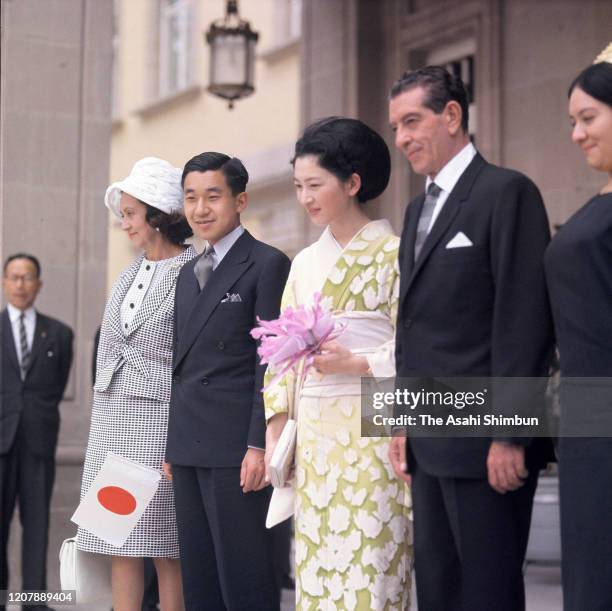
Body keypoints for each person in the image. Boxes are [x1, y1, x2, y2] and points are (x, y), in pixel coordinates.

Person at [388, 66, 554, 611]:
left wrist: (510, 435)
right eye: (396, 127)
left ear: (453, 116)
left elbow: (523, 320)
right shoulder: (415, 211)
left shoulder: (508, 192)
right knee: (438, 590)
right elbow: (411, 325)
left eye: (412, 121)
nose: (402, 138)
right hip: (429, 438)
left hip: (486, 442)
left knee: (488, 594)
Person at [264, 117, 412, 610]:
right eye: (298, 186)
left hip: (374, 426)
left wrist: (360, 362)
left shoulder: (395, 255)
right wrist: (277, 428)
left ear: (352, 183)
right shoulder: (304, 262)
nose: (305, 198)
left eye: (315, 185)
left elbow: (417, 343)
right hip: (316, 435)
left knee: (372, 560)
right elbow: (279, 356)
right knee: (318, 565)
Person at [164, 152, 291, 610]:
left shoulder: (267, 263)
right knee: (200, 581)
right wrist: (171, 446)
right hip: (188, 446)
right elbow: (181, 366)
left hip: (237, 449)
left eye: (212, 197)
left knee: (245, 578)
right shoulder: (185, 274)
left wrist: (259, 444)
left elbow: (270, 362)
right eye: (191, 198)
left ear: (240, 201)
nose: (200, 209)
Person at [77, 157, 196, 611]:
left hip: (159, 425)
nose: (123, 222)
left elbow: (189, 360)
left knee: (166, 544)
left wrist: (180, 438)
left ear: (157, 213)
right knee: (116, 538)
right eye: (122, 214)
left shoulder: (193, 271)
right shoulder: (127, 273)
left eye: (130, 213)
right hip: (113, 425)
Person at [544, 48, 612, 611]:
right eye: (572, 122)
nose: (576, 135)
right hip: (587, 421)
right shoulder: (597, 204)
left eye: (588, 118)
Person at [1, 253, 73, 610]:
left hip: (37, 442)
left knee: (37, 527)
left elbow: (55, 387)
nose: (20, 284)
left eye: (27, 277)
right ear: (4, 282)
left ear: (38, 284)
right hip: (0, 443)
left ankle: (33, 602)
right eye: (13, 277)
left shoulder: (59, 334)